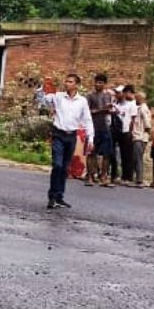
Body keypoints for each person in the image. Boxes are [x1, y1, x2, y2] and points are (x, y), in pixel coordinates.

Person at [36, 74, 94, 210]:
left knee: (65, 168)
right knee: (57, 165)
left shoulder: (82, 101)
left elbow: (87, 120)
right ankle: (52, 196)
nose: (67, 83)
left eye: (70, 82)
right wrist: (41, 89)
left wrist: (90, 138)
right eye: (66, 81)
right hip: (58, 134)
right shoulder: (58, 96)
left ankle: (59, 196)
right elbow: (43, 101)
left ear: (77, 85)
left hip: (71, 136)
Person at [86, 73, 114, 186]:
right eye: (96, 82)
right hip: (93, 127)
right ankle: (90, 177)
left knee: (107, 154)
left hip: (105, 127)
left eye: (100, 82)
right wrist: (102, 109)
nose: (98, 84)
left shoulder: (108, 96)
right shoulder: (90, 96)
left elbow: (110, 110)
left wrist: (110, 110)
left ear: (104, 84)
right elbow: (88, 112)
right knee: (91, 153)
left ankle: (103, 177)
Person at [114, 85, 138, 183]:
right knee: (117, 155)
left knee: (127, 155)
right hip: (117, 131)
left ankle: (128, 177)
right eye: (116, 92)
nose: (118, 94)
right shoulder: (116, 104)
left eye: (119, 92)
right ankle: (118, 175)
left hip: (126, 131)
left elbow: (132, 119)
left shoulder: (131, 104)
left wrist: (130, 131)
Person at [131, 90, 152, 188]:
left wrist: (146, 133)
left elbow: (147, 124)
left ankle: (139, 180)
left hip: (140, 136)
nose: (135, 99)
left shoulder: (143, 108)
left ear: (141, 98)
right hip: (137, 136)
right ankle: (137, 178)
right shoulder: (138, 108)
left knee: (137, 158)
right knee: (135, 158)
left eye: (137, 98)